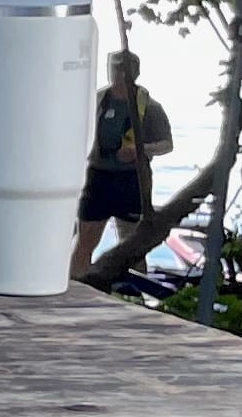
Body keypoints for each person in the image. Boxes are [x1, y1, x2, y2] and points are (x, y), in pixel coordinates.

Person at [72, 46, 176, 277]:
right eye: (114, 68)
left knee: (132, 244)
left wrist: (141, 150)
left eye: (123, 69)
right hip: (97, 177)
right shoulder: (98, 101)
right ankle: (77, 285)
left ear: (135, 72)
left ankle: (134, 291)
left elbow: (167, 144)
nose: (118, 74)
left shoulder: (149, 107)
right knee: (85, 239)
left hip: (132, 180)